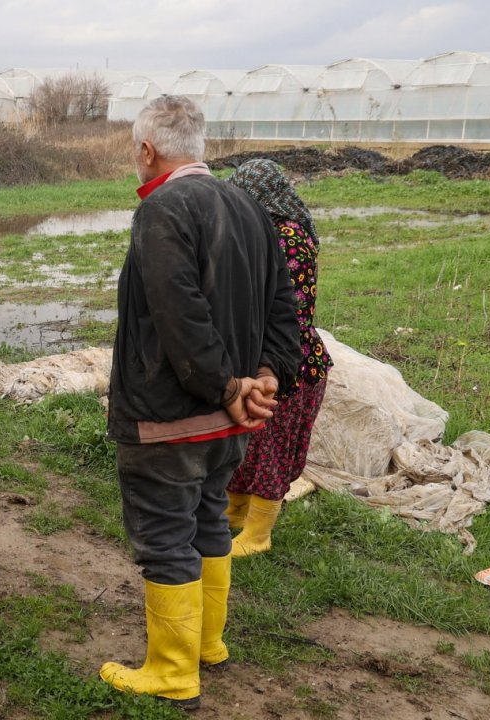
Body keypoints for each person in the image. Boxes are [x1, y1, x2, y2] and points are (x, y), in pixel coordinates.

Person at [100, 96, 301, 708]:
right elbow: (282, 305)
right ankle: (206, 643)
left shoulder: (163, 208)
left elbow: (178, 313)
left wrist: (228, 385)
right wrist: (267, 375)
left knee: (166, 535)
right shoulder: (249, 206)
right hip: (230, 420)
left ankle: (171, 669)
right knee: (210, 519)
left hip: (172, 419)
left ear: (147, 149)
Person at [224, 159, 333, 556]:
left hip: (290, 363)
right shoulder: (266, 232)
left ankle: (259, 533)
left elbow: (288, 312)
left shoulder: (288, 238)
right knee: (247, 440)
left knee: (269, 443)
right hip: (263, 352)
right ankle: (235, 511)